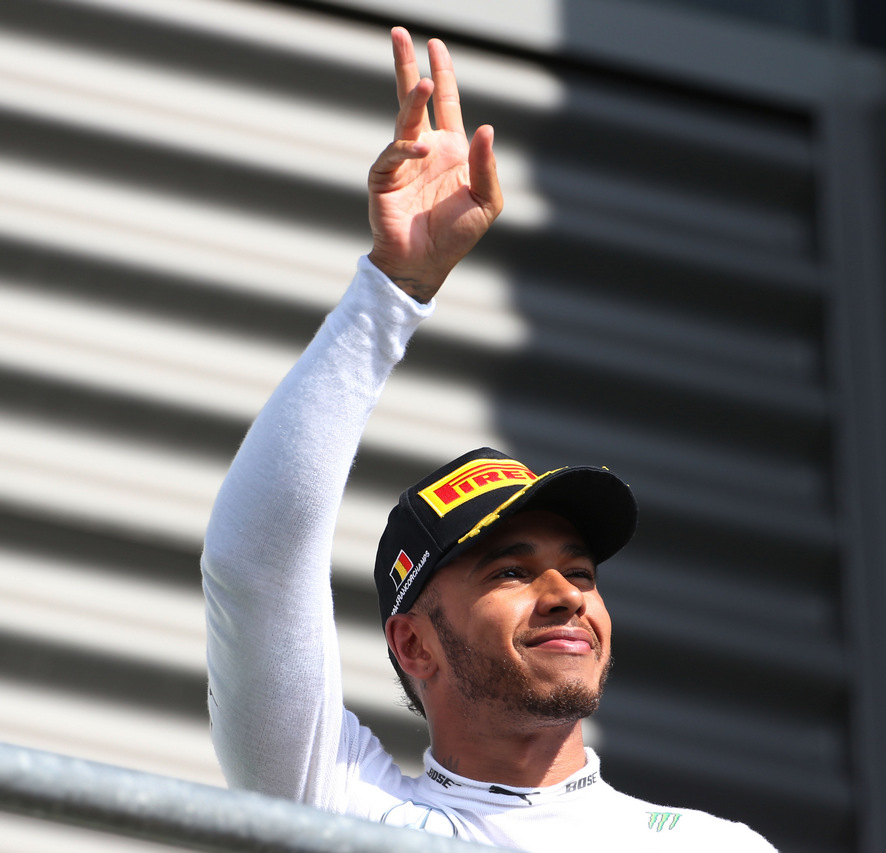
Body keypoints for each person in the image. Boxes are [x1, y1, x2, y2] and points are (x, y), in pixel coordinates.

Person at [201, 27, 776, 852]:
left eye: (579, 569)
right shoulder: (345, 811)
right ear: (414, 642)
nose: (567, 593)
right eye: (510, 569)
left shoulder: (717, 846)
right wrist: (392, 292)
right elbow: (252, 564)